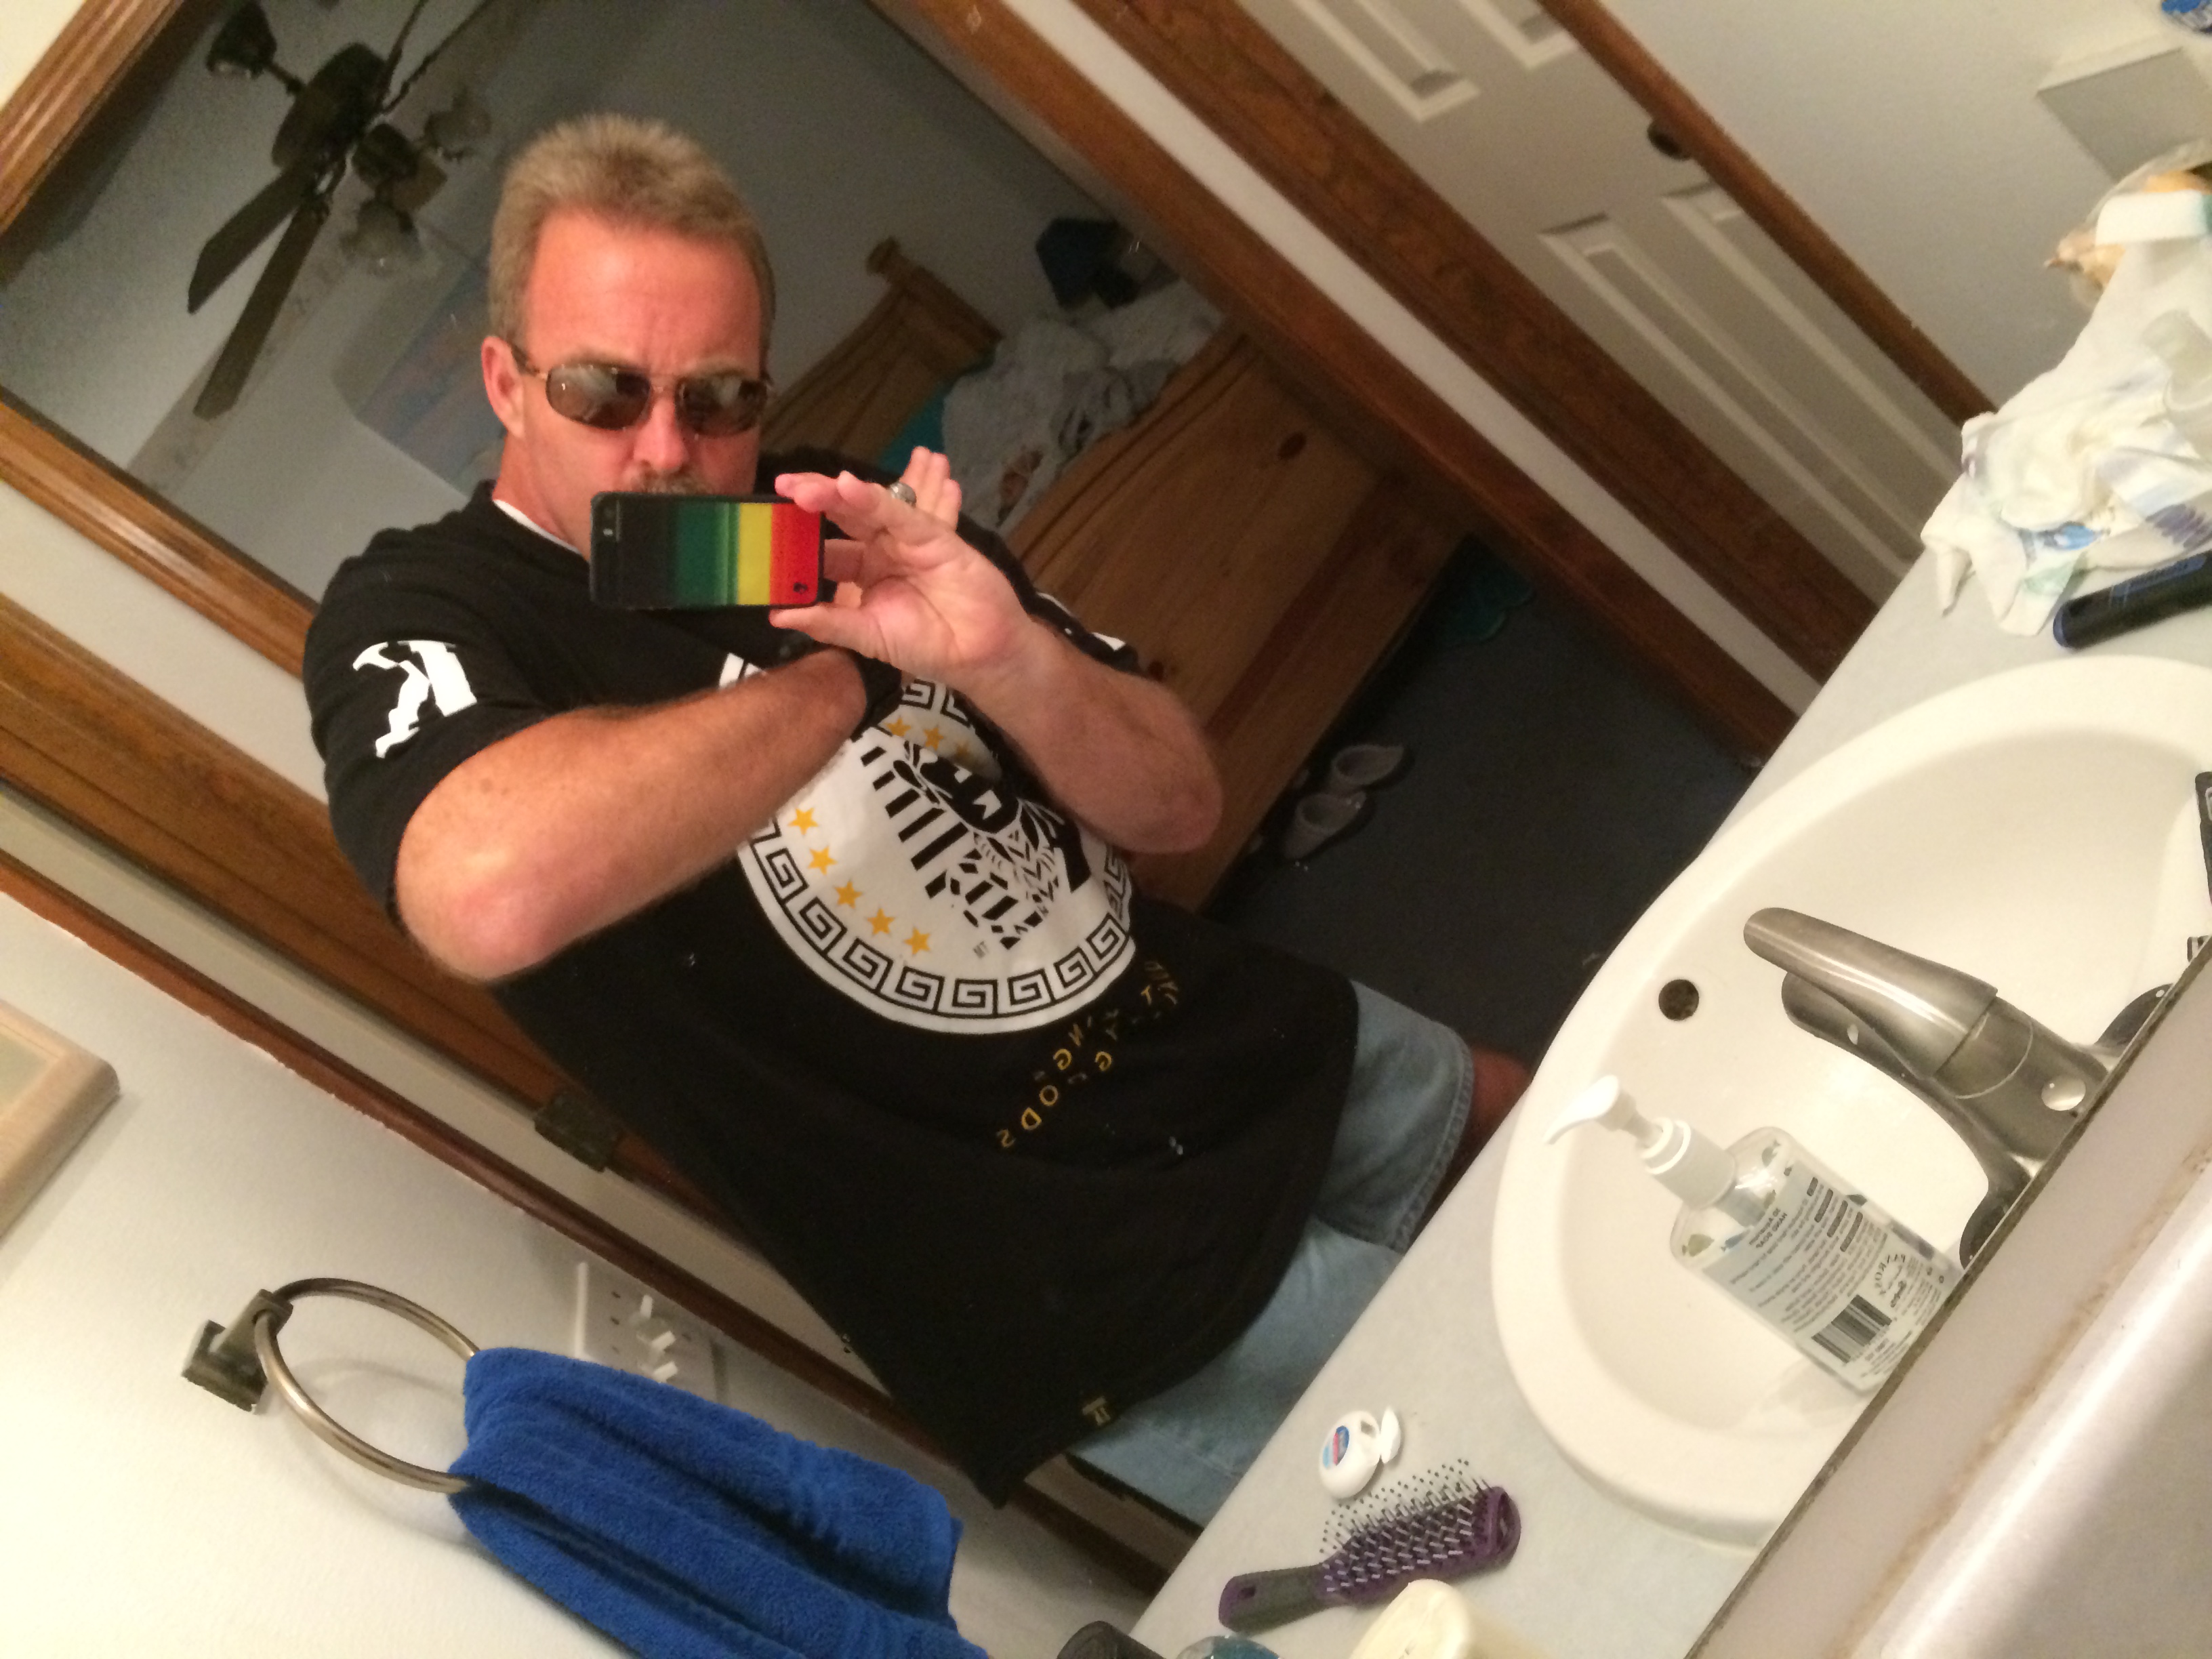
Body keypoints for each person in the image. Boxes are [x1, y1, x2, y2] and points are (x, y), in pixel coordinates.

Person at [304, 113, 1526, 1525]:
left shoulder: (823, 516)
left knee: (1614, 1167)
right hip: (1098, 1278)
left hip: (1246, 1041)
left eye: (718, 398)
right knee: (1534, 1452)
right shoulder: (417, 611)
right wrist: (855, 676)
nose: (666, 452)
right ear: (506, 383)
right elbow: (486, 889)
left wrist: (998, 654)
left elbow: (1181, 804)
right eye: (603, 392)